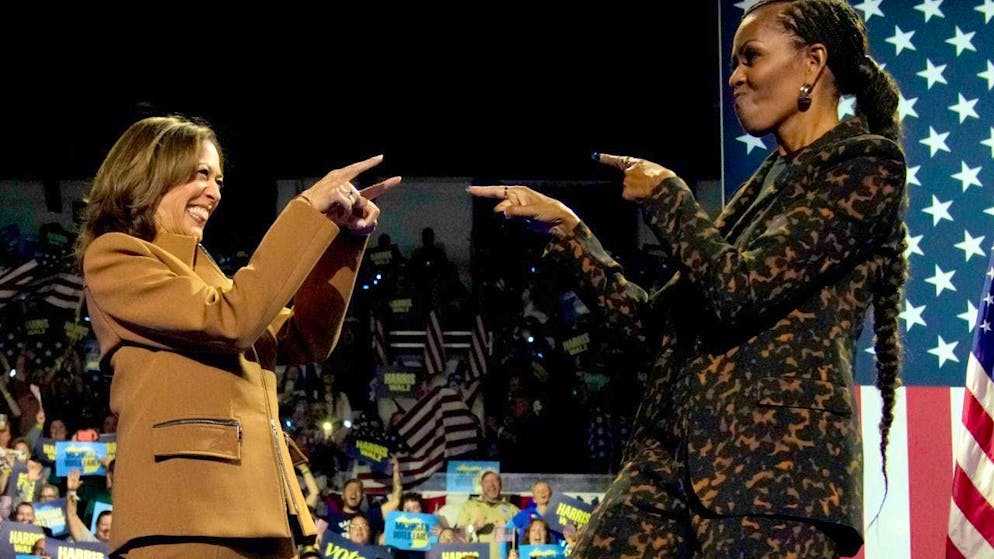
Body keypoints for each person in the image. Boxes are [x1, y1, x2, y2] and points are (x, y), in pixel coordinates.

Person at [469, 0, 907, 556]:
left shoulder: (865, 166)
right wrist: (569, 232)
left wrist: (669, 197)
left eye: (751, 57)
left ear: (812, 63)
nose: (735, 76)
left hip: (775, 479)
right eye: (734, 61)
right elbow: (651, 330)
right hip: (667, 464)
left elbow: (740, 289)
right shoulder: (764, 185)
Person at [76, 115, 401, 558]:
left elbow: (305, 338)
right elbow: (232, 322)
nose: (214, 192)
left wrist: (343, 239)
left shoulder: (208, 277)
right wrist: (305, 210)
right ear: (149, 173)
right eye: (200, 174)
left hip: (259, 512)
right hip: (187, 518)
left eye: (219, 179)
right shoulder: (116, 255)